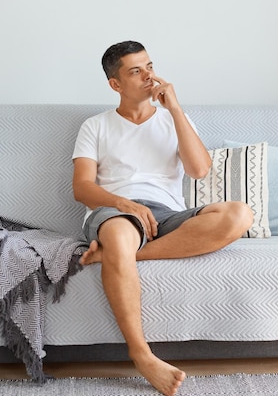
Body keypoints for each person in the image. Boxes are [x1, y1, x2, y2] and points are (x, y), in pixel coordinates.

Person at [71, 40, 253, 396]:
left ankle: (114, 257)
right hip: (115, 211)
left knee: (239, 214)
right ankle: (142, 355)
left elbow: (199, 170)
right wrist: (124, 203)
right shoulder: (96, 126)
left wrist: (176, 110)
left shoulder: (175, 120)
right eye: (135, 71)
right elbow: (82, 188)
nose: (148, 76)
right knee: (121, 235)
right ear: (116, 84)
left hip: (167, 215)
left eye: (149, 66)